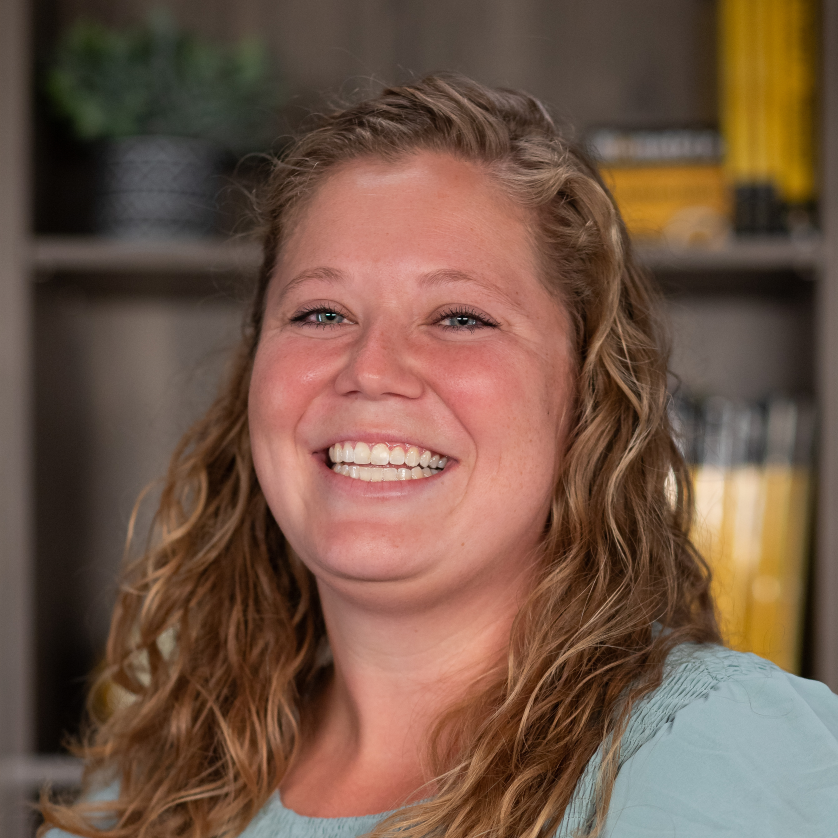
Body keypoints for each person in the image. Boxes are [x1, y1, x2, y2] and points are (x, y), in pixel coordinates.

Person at [41, 75, 838, 838]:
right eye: (321, 312)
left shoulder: (716, 752)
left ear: (588, 397)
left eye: (459, 317)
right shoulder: (157, 772)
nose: (370, 371)